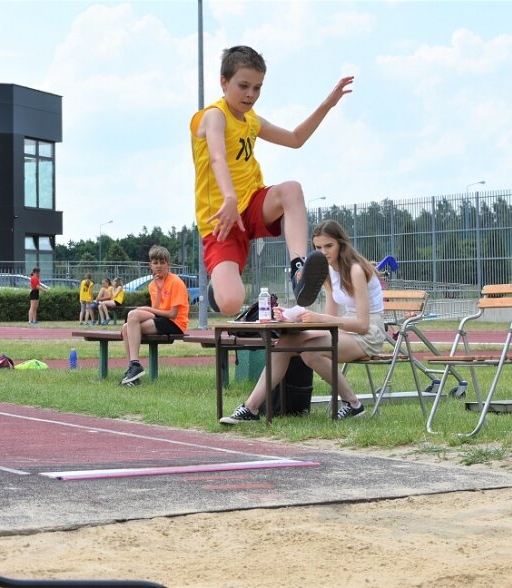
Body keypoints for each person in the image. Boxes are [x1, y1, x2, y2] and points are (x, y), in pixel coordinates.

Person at [190, 45, 354, 316]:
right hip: (221, 221)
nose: (250, 95)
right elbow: (217, 156)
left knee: (291, 190)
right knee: (231, 303)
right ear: (223, 82)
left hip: (252, 204)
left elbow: (295, 139)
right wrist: (229, 198)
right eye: (243, 86)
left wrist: (327, 104)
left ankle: (299, 270)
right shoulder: (213, 116)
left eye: (257, 88)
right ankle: (218, 291)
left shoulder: (251, 120)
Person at [221, 220, 386, 424]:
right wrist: (292, 315)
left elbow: (362, 324)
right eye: (317, 247)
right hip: (347, 332)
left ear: (341, 243)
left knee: (310, 353)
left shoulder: (356, 270)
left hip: (369, 334)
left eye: (329, 246)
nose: (323, 252)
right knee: (285, 343)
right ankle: (251, 408)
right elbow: (330, 321)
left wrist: (321, 319)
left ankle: (353, 404)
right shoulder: (327, 271)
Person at [120, 246, 190, 386]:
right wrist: (158, 292)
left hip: (175, 323)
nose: (159, 266)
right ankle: (133, 370)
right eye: (155, 263)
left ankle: (135, 366)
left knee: (133, 315)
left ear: (168, 265)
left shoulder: (176, 282)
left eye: (162, 262)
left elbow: (172, 313)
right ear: (150, 265)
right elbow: (156, 310)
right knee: (125, 327)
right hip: (161, 320)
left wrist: (145, 308)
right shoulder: (152, 285)